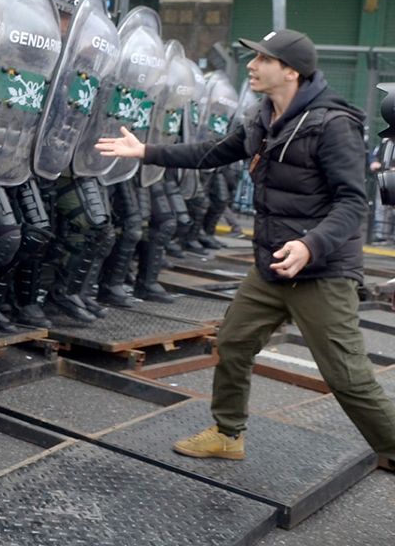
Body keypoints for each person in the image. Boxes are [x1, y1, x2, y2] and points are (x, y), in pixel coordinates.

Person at [96, 28, 395, 464]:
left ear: (291, 70)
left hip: (321, 272)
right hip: (271, 263)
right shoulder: (262, 116)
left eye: (263, 59)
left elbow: (353, 203)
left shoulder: (333, 125)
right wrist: (146, 151)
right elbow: (212, 151)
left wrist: (311, 246)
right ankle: (227, 432)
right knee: (234, 342)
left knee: (347, 377)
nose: (251, 66)